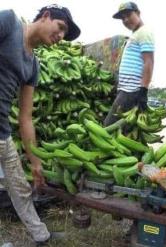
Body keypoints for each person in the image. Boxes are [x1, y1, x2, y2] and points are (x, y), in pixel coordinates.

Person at [0, 4, 80, 244]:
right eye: (61, 27)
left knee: (20, 187)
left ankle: (41, 235)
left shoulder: (33, 65)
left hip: (2, 134)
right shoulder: (9, 23)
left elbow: (25, 117)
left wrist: (35, 163)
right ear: (46, 16)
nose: (61, 36)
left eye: (64, 34)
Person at [104, 1, 154, 126]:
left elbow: (149, 61)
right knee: (122, 128)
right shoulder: (135, 34)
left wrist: (143, 90)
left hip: (131, 90)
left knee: (108, 126)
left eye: (128, 15)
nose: (125, 20)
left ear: (138, 13)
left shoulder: (144, 32)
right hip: (125, 89)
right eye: (122, 18)